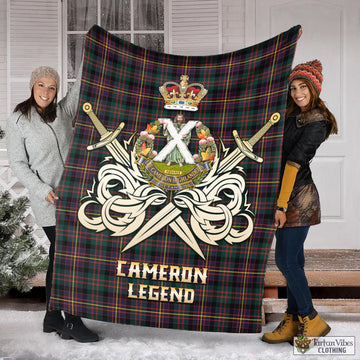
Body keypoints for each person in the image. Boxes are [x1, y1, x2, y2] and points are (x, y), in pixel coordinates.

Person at [6, 65, 99, 343]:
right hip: (47, 199)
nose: (46, 92)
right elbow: (19, 164)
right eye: (41, 85)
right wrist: (41, 188)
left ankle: (51, 318)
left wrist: (91, 52)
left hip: (73, 196)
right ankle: (71, 320)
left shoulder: (63, 112)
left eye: (52, 87)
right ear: (32, 86)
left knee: (60, 258)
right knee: (67, 258)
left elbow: (82, 86)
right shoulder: (19, 119)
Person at [262, 60, 338, 344]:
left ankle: (311, 318)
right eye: (293, 87)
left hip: (299, 199)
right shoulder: (291, 113)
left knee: (285, 260)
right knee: (294, 260)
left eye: (302, 86)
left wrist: (281, 206)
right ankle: (293, 321)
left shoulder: (318, 121)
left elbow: (294, 163)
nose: (296, 92)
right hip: (285, 194)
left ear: (314, 89)